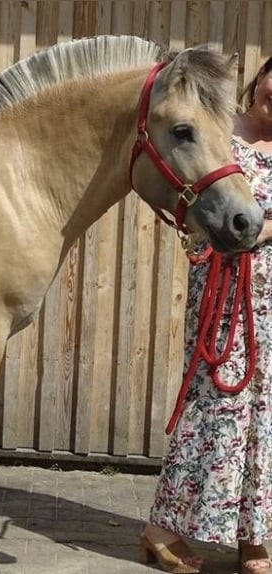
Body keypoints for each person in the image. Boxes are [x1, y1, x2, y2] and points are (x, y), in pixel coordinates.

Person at [140, 56, 272, 574]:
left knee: (266, 415)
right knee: (214, 401)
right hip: (225, 290)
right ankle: (161, 529)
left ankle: (254, 537)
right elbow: (183, 189)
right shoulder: (220, 130)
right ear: (260, 77)